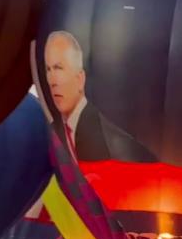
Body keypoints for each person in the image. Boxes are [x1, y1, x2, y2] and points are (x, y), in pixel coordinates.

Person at [42, 30, 156, 163]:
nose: (52, 81)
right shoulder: (50, 134)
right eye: (48, 69)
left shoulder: (115, 144)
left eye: (58, 68)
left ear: (80, 79)